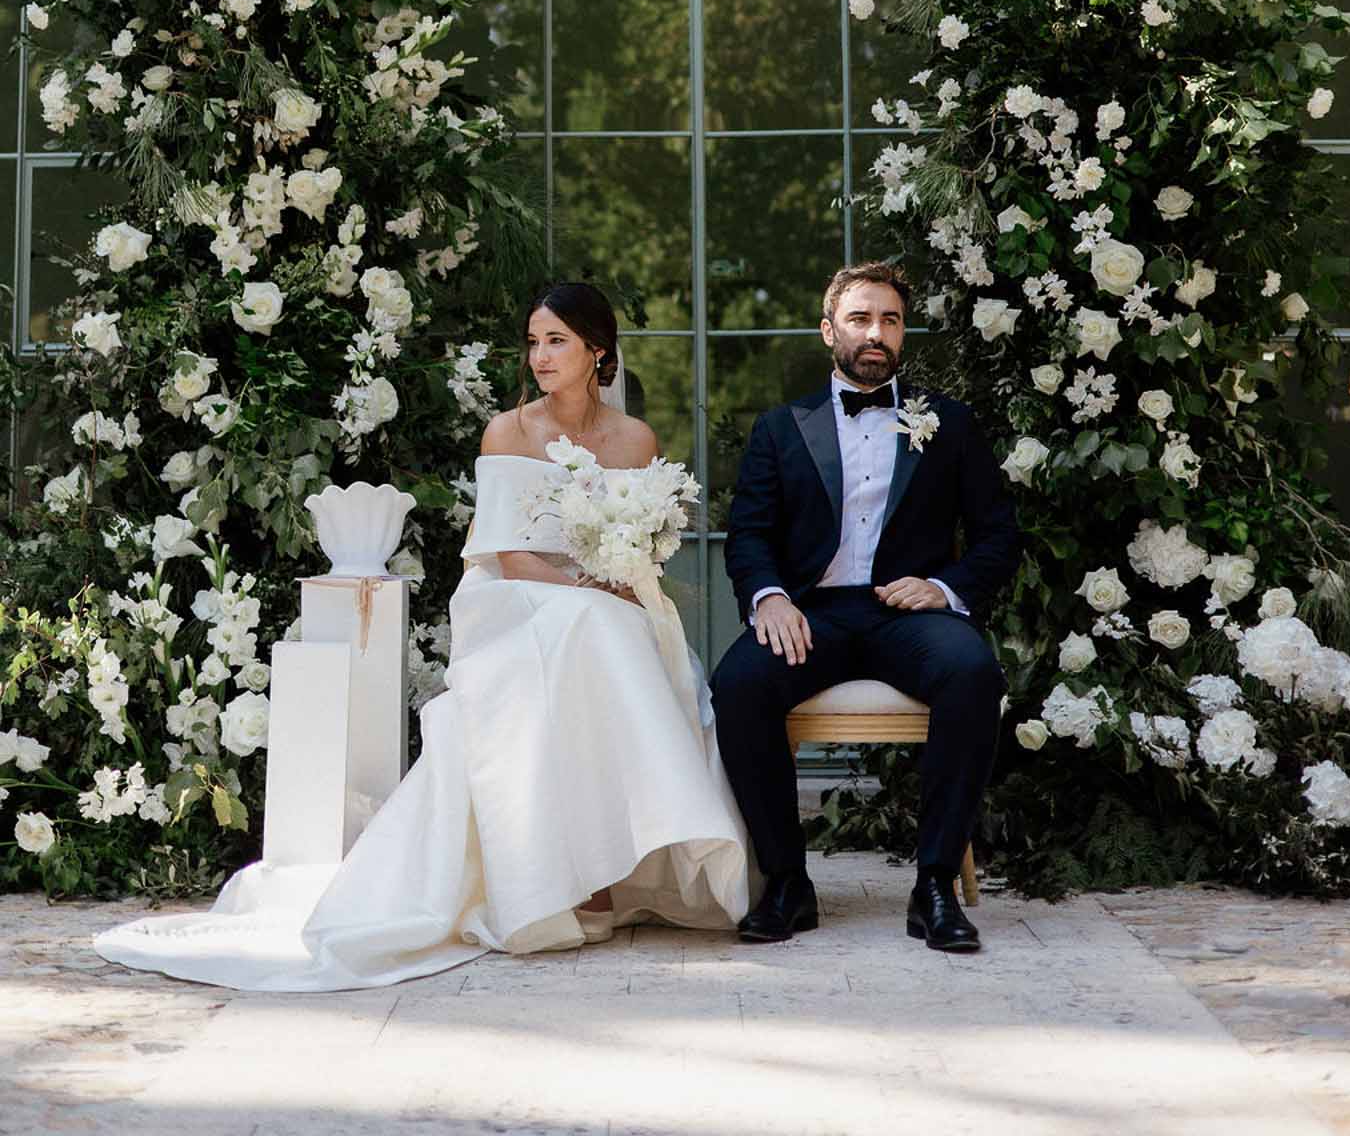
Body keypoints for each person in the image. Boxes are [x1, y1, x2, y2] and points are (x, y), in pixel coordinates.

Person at [92, 281, 751, 990]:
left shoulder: (634, 439)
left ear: (597, 350)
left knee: (617, 630)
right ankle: (559, 881)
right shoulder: (510, 430)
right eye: (532, 341)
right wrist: (592, 588)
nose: (539, 356)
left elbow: (643, 545)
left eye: (556, 340)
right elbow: (506, 552)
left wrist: (619, 573)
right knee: (595, 628)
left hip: (601, 596)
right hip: (515, 595)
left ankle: (607, 867)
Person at [711, 261, 1021, 954]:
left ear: (902, 334)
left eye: (889, 319)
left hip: (908, 615)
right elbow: (750, 534)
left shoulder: (949, 423)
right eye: (859, 318)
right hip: (811, 613)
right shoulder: (780, 428)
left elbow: (999, 535)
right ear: (829, 331)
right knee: (737, 685)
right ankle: (788, 883)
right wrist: (768, 599)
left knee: (972, 674)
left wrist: (941, 589)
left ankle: (934, 886)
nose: (875, 332)